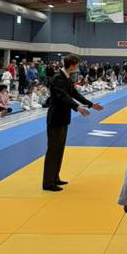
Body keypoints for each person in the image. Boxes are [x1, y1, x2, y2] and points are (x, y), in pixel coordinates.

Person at [43, 54, 103, 191]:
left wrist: (90, 104)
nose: (78, 67)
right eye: (77, 65)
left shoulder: (67, 78)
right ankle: (48, 182)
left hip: (63, 118)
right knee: (53, 150)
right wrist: (77, 107)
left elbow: (75, 94)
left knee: (59, 149)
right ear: (71, 66)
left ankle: (55, 177)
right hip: (56, 118)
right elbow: (63, 96)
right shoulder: (57, 78)